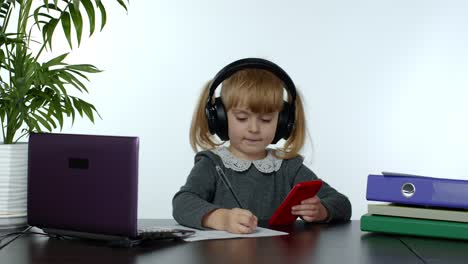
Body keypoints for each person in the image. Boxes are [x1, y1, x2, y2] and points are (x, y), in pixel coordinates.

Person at [172, 58, 351, 234]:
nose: (254, 129)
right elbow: (182, 203)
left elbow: (342, 203)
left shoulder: (288, 167)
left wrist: (322, 210)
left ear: (283, 123)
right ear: (220, 119)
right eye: (242, 118)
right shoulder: (212, 164)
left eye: (266, 119)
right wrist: (222, 219)